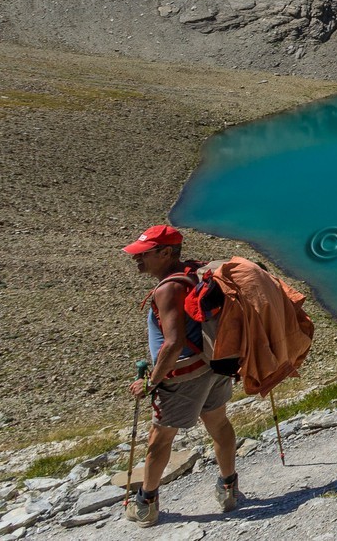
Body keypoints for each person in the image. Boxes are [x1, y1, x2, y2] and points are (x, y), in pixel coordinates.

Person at [123, 225, 240, 528]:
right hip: (214, 364)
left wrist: (151, 381)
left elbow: (173, 343)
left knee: (160, 440)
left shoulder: (168, 288)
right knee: (219, 424)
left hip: (184, 376)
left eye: (143, 254)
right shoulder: (195, 273)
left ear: (165, 253)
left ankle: (146, 504)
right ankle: (228, 488)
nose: (137, 259)